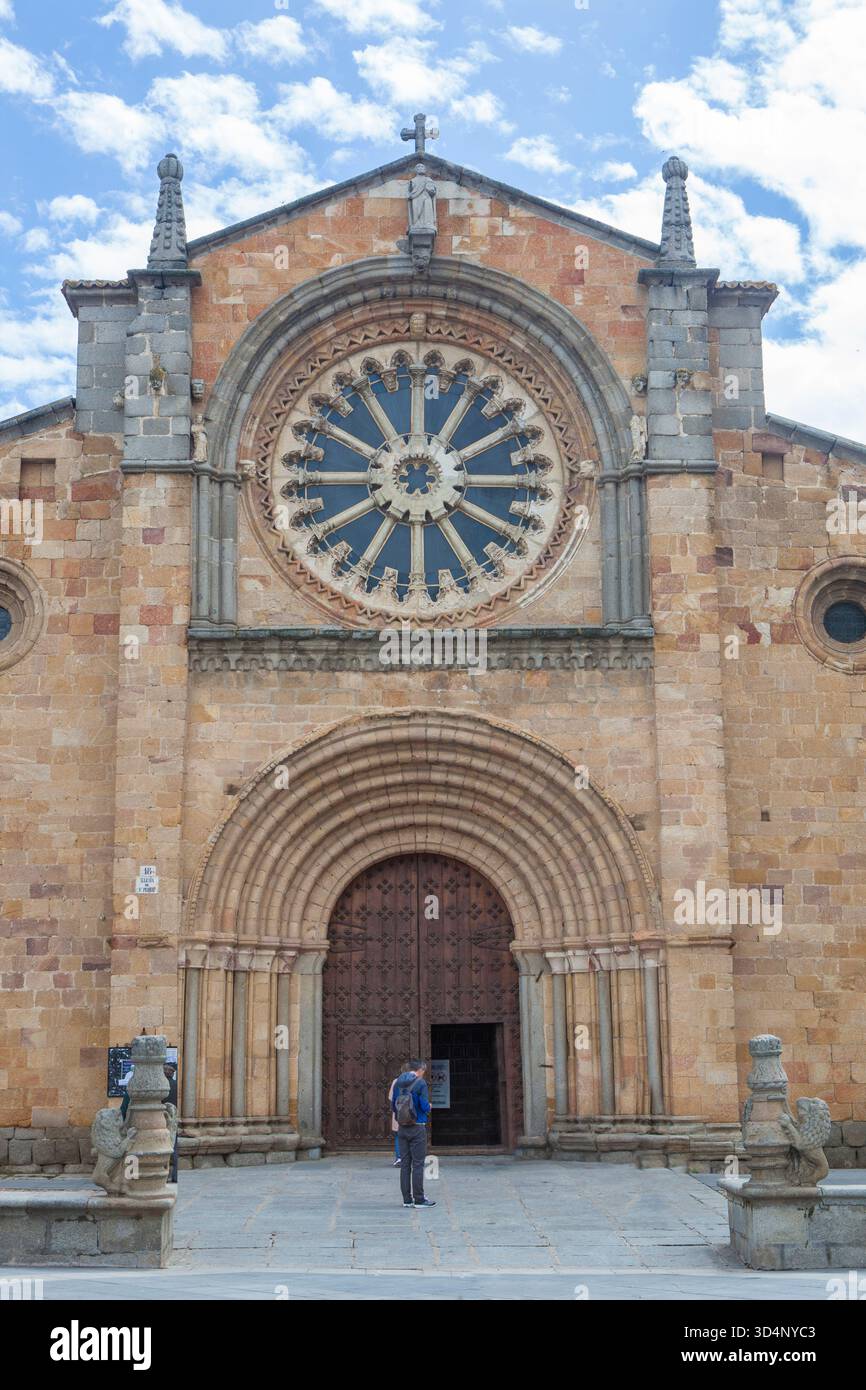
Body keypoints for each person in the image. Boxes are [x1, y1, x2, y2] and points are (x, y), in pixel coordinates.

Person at [392, 1060, 435, 1208]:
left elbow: (394, 1106)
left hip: (402, 1128)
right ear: (420, 1070)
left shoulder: (398, 1083)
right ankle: (419, 1199)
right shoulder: (420, 1083)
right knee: (418, 1164)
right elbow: (424, 1106)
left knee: (405, 1165)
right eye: (424, 1071)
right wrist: (428, 1106)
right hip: (417, 1127)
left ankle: (407, 1199)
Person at [387, 1064, 409, 1167]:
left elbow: (391, 1098)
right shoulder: (416, 1081)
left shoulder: (396, 1081)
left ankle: (399, 1158)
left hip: (398, 1113)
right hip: (411, 1114)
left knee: (398, 1136)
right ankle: (409, 1158)